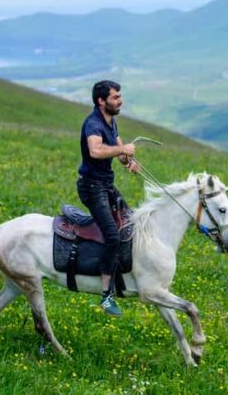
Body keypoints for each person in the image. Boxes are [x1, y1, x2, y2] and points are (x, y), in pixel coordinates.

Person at [76, 80, 140, 317]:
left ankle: (122, 271)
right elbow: (96, 151)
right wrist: (122, 150)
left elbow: (118, 151)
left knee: (130, 222)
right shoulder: (93, 124)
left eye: (119, 96)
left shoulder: (111, 121)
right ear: (101, 101)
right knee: (112, 236)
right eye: (115, 97)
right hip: (91, 187)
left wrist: (128, 161)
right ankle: (106, 295)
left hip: (106, 184)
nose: (120, 101)